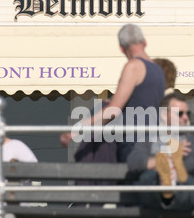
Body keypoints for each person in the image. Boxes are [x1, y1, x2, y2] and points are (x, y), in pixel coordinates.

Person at [60, 23, 166, 163]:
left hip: (134, 142)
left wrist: (78, 128)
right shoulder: (158, 71)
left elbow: (113, 110)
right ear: (144, 42)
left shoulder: (133, 67)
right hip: (155, 140)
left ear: (122, 48)